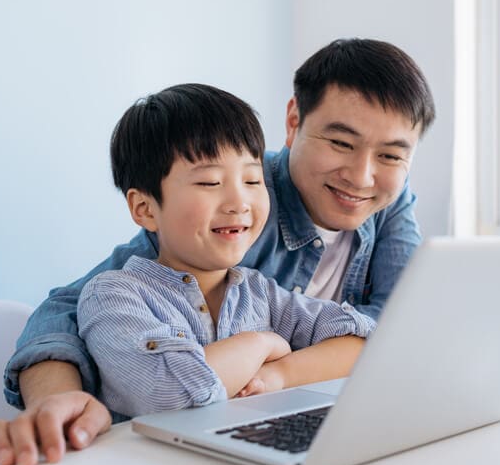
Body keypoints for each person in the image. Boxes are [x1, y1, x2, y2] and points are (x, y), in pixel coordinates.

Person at [0, 38, 436, 465]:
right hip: (153, 463)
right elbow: (71, 308)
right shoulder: (217, 226)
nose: (362, 176)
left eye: (392, 156)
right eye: (341, 142)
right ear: (294, 120)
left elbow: (395, 332)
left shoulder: (265, 278)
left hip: (286, 421)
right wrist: (57, 399)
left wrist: (280, 372)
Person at [77, 83, 375, 419]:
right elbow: (168, 393)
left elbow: (363, 342)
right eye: (210, 182)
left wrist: (279, 374)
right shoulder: (113, 295)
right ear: (145, 208)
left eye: (252, 180)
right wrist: (259, 344)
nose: (239, 203)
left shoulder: (258, 291)